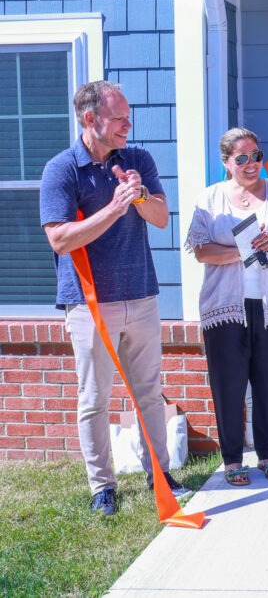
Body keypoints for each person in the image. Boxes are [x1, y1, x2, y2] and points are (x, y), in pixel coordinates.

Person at [39, 81, 190, 516]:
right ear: (91, 120)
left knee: (149, 393)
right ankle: (102, 488)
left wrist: (138, 194)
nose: (129, 124)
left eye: (128, 116)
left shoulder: (138, 159)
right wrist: (114, 207)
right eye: (119, 117)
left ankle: (159, 475)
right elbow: (60, 239)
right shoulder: (62, 169)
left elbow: (161, 218)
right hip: (89, 303)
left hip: (141, 295)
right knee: (95, 398)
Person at [185, 128, 268, 485]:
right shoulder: (210, 198)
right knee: (229, 384)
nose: (252, 164)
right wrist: (239, 253)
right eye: (241, 158)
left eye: (256, 155)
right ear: (226, 163)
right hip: (225, 306)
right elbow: (201, 251)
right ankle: (232, 459)